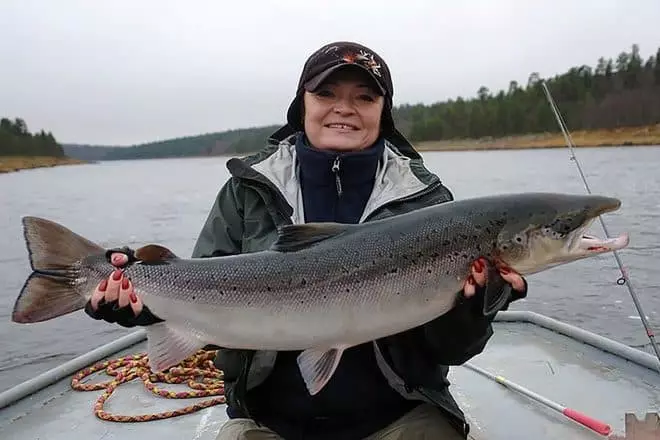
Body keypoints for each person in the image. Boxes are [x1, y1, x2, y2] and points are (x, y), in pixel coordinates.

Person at [85, 41, 528, 440]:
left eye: (364, 97)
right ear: (302, 104)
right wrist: (143, 305)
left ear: (382, 111)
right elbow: (199, 287)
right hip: (267, 423)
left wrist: (473, 311)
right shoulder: (247, 190)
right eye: (326, 94)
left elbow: (453, 350)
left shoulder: (428, 203)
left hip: (400, 416)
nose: (344, 108)